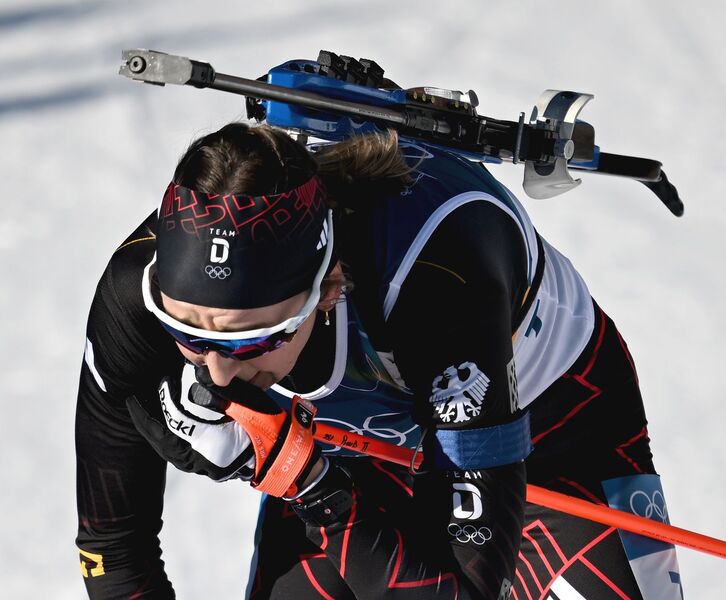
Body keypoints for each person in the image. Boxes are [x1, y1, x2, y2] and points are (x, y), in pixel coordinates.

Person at [76, 121, 682, 599]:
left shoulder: (434, 285)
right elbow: (114, 550)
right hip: (352, 452)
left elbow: (466, 593)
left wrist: (310, 485)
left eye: (254, 339)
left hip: (549, 437)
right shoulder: (135, 293)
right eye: (188, 335)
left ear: (328, 288)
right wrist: (311, 477)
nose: (219, 375)